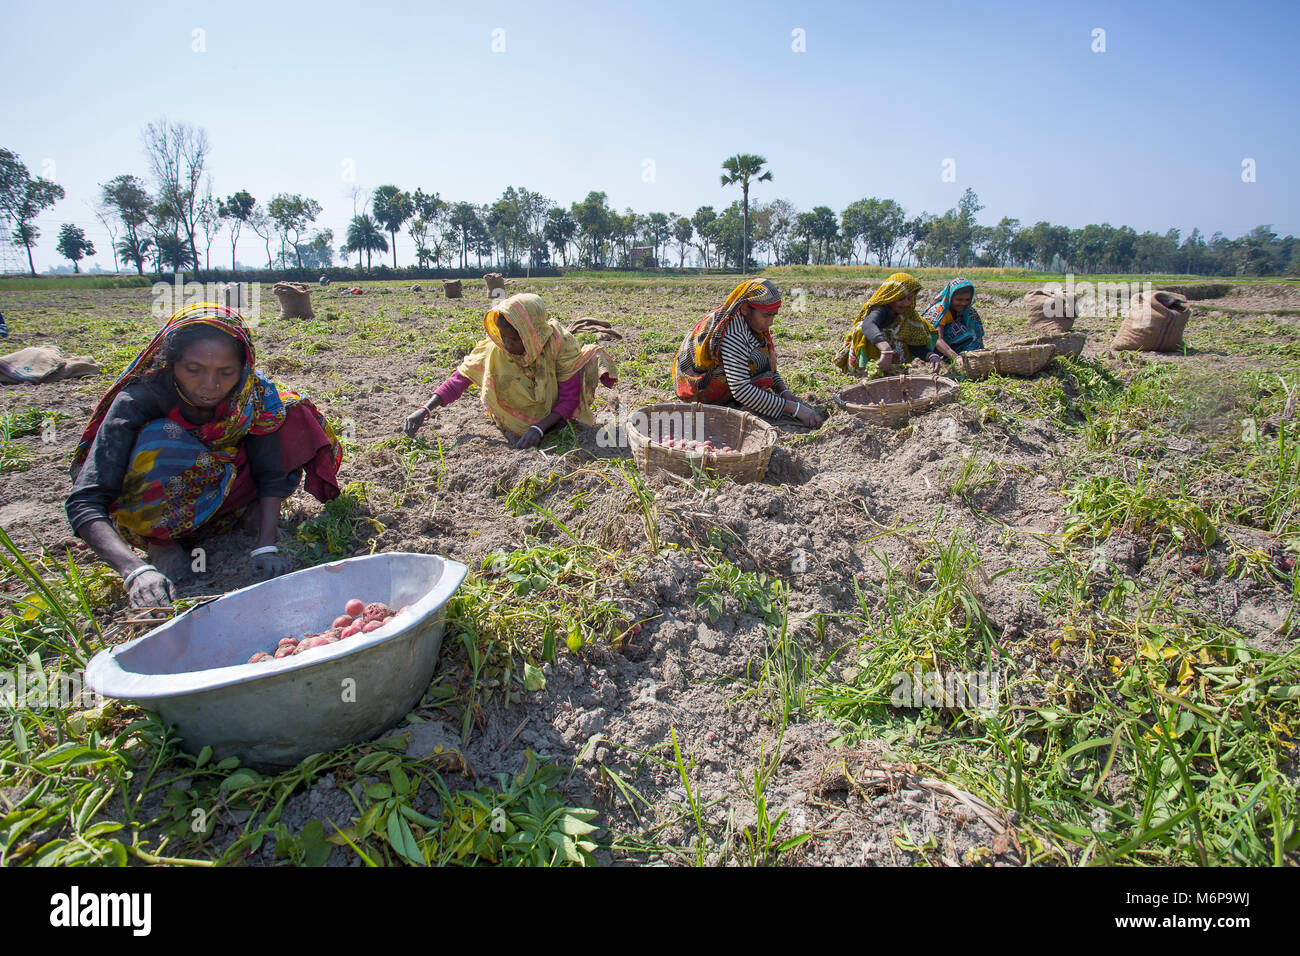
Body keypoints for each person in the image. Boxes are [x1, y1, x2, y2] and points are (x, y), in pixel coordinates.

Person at [66, 303, 343, 608]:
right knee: (160, 438)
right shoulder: (139, 401)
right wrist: (135, 570)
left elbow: (269, 473)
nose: (210, 386)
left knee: (292, 414)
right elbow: (86, 501)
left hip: (225, 484)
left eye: (226, 372)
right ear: (171, 363)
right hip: (163, 500)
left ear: (244, 367)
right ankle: (162, 543)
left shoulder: (253, 394)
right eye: (193, 370)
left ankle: (248, 515)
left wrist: (266, 546)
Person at [403, 293, 616, 448]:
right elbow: (460, 378)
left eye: (515, 339)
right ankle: (516, 422)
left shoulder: (559, 345)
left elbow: (569, 398)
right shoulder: (497, 348)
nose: (507, 345)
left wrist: (539, 428)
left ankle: (548, 424)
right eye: (503, 337)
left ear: (531, 335)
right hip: (514, 414)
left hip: (553, 411)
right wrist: (426, 409)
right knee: (495, 356)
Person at [673, 278, 823, 427]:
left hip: (722, 375)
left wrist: (783, 391)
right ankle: (719, 400)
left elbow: (766, 363)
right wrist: (794, 408)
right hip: (696, 387)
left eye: (773, 315)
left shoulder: (752, 323)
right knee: (753, 361)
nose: (770, 322)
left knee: (757, 357)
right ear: (745, 308)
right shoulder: (734, 332)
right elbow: (741, 390)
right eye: (766, 315)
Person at [836, 272, 958, 376]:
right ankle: (865, 371)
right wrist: (885, 348)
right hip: (873, 360)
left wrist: (930, 355)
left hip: (893, 364)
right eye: (901, 298)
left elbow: (914, 343)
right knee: (861, 331)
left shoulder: (908, 316)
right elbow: (868, 325)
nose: (905, 303)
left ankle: (892, 371)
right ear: (891, 296)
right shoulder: (881, 309)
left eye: (910, 298)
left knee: (918, 329)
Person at [923, 277, 985, 354]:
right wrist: (955, 357)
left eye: (967, 300)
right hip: (929, 347)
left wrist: (982, 353)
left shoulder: (968, 311)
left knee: (969, 325)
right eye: (959, 300)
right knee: (955, 329)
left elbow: (978, 335)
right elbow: (937, 339)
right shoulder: (939, 311)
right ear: (950, 298)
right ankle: (947, 355)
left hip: (951, 347)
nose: (963, 303)